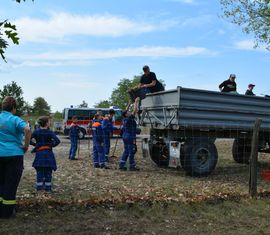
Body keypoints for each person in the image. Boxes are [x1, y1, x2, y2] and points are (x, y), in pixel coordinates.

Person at [0, 96, 31, 219]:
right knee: (11, 183)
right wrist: (26, 146)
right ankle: (7, 212)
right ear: (13, 108)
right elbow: (27, 129)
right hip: (14, 155)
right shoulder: (14, 119)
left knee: (0, 183)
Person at [30, 116, 60, 192]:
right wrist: (50, 145)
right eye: (49, 121)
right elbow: (57, 141)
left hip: (39, 153)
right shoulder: (50, 132)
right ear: (46, 123)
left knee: (39, 171)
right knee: (48, 171)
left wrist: (36, 145)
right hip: (48, 154)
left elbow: (29, 140)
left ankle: (39, 188)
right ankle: (48, 189)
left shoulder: (36, 131)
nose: (50, 123)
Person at [119, 102, 140, 171]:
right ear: (126, 114)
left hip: (125, 136)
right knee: (131, 151)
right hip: (129, 136)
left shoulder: (124, 119)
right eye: (128, 112)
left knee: (126, 151)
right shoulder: (129, 118)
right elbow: (135, 111)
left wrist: (128, 104)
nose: (129, 112)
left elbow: (125, 111)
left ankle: (121, 165)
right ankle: (132, 166)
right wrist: (136, 102)